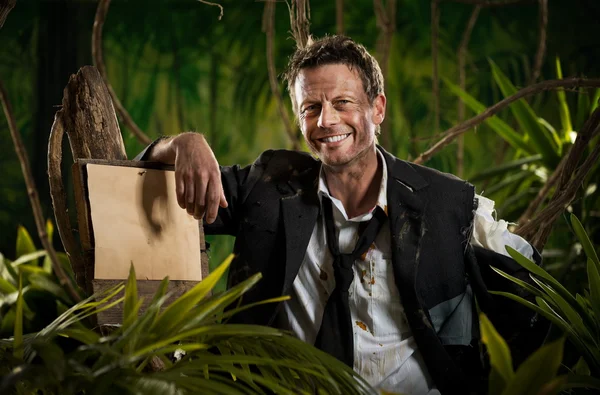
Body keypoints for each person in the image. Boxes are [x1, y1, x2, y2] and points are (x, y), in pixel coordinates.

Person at [135, 35, 544, 395]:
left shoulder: (448, 203)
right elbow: (132, 186)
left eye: (343, 103)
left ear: (377, 108)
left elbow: (538, 302)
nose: (325, 121)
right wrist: (180, 144)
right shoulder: (269, 183)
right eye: (310, 108)